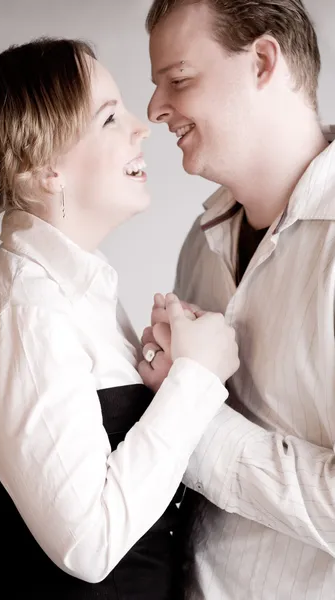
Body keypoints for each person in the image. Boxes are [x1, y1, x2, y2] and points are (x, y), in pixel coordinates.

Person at [0, 37, 239, 599]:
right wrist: (196, 379)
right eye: (108, 117)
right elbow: (89, 545)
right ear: (41, 168)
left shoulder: (76, 293)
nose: (140, 126)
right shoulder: (21, 312)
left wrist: (168, 379)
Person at [140, 0, 335, 598]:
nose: (154, 109)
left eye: (178, 79)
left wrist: (190, 408)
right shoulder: (198, 244)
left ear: (262, 62)